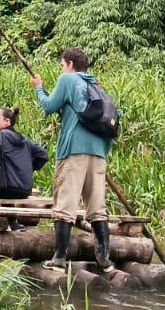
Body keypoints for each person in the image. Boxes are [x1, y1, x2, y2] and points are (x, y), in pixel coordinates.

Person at [30, 47, 115, 272]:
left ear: (69, 64)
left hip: (74, 151)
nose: (61, 69)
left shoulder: (68, 80)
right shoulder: (95, 86)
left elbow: (49, 106)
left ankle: (59, 258)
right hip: (99, 153)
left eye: (62, 65)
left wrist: (39, 88)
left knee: (65, 204)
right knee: (97, 207)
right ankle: (104, 261)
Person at [0, 105, 48, 201]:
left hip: (4, 189)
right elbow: (43, 155)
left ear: (7, 121)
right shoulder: (25, 139)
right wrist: (28, 166)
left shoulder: (0, 135)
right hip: (24, 191)